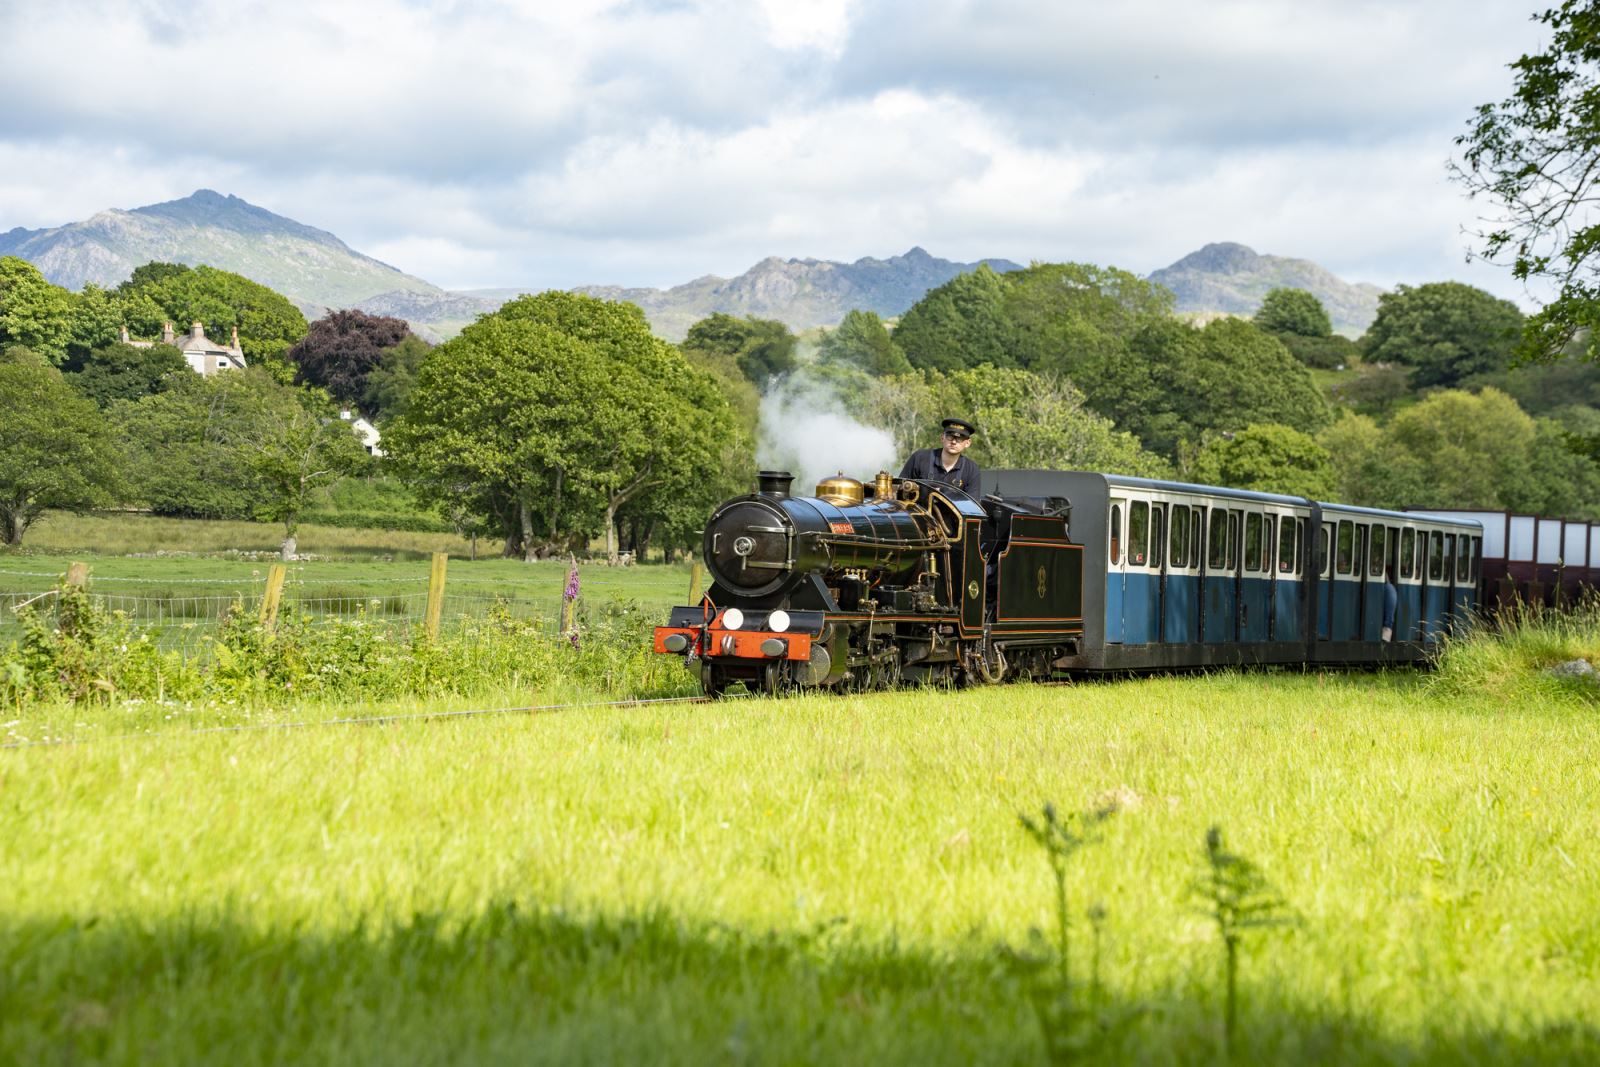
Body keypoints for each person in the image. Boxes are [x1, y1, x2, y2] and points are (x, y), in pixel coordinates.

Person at [899, 418, 982, 499]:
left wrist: (944, 491)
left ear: (967, 443)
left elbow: (973, 504)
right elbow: (899, 488)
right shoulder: (919, 458)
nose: (953, 442)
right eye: (950, 436)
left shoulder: (972, 469)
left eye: (959, 439)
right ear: (942, 437)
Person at [1382, 564, 1398, 643]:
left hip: (1385, 628)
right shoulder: (1390, 589)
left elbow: (1389, 614)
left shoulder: (1388, 589)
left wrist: (1385, 636)